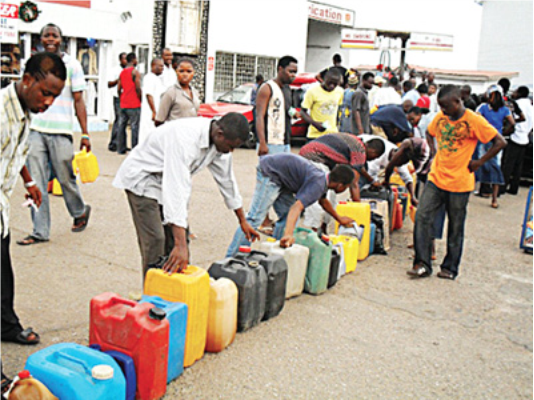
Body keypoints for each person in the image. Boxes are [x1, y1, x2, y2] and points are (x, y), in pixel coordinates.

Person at [113, 113, 259, 277]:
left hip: (164, 180)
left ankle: (176, 288)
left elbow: (227, 181)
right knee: (156, 240)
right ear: (220, 134)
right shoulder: (185, 139)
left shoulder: (218, 143)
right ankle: (152, 290)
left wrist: (242, 220)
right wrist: (180, 245)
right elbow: (176, 189)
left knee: (177, 241)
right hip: (142, 180)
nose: (231, 151)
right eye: (231, 146)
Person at [409, 85, 506, 280]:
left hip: (459, 183)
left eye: (446, 107)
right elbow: (429, 132)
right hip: (436, 178)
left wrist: (479, 162)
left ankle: (450, 268)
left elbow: (500, 142)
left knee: (455, 227)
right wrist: (433, 152)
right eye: (441, 107)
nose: (443, 111)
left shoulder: (474, 120)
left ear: (458, 101)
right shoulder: (441, 117)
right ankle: (422, 263)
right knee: (422, 217)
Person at [1, 53, 66, 345]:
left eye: (55, 97)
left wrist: (29, 181)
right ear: (27, 80)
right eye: (45, 93)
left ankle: (5, 325)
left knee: (3, 273)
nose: (48, 102)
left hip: (1, 205)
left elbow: (15, 150)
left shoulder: (25, 110)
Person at [18, 24, 91, 246]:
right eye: (46, 35)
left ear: (61, 39)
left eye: (54, 36)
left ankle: (79, 210)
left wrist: (85, 133)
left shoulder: (72, 65)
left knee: (64, 176)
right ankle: (40, 231)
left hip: (61, 130)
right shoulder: (33, 64)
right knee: (36, 180)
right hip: (36, 129)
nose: (50, 39)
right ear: (40, 39)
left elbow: (78, 100)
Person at [226, 153, 356, 256]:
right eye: (346, 187)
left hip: (282, 177)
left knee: (287, 215)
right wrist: (289, 234)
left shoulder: (323, 180)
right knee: (254, 219)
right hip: (271, 172)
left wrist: (339, 219)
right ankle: (231, 259)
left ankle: (275, 253)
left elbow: (323, 201)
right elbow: (296, 208)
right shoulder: (318, 183)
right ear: (340, 185)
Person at [299, 134, 385, 230]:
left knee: (330, 198)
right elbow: (354, 183)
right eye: (375, 157)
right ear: (373, 151)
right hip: (314, 158)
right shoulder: (360, 151)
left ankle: (323, 229)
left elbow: (361, 169)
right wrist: (359, 209)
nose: (373, 160)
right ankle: (313, 232)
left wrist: (372, 180)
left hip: (311, 153)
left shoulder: (356, 144)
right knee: (317, 197)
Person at [255, 56, 297, 233]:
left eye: (295, 72)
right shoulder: (267, 88)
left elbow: (287, 112)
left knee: (282, 188)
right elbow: (259, 116)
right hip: (271, 143)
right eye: (290, 71)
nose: (293, 75)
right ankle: (261, 220)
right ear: (280, 69)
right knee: (266, 187)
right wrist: (262, 143)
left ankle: (281, 231)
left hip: (284, 143)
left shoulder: (287, 89)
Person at [475, 84, 515, 208]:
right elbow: (512, 123)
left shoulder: (483, 107)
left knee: (480, 163)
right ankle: (494, 199)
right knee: (496, 167)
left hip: (484, 138)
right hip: (498, 140)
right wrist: (504, 132)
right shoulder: (505, 109)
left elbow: (476, 120)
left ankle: (476, 189)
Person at [359, 134, 421, 206]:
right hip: (359, 151)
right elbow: (369, 172)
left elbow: (407, 178)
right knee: (361, 183)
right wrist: (375, 182)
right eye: (399, 163)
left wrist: (413, 196)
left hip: (367, 163)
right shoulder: (378, 153)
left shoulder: (400, 156)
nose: (399, 166)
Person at [501, 86, 533, 195]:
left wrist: (506, 130)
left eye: (515, 91)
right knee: (518, 166)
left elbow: (512, 120)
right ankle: (514, 188)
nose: (513, 93)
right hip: (525, 138)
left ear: (519, 93)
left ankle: (502, 187)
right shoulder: (531, 106)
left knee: (508, 165)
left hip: (515, 136)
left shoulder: (517, 104)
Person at [300, 68, 344, 140]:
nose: (332, 86)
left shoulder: (340, 91)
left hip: (333, 134)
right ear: (324, 79)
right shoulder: (312, 91)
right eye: (330, 83)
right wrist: (315, 124)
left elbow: (339, 109)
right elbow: (302, 112)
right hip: (315, 135)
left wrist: (338, 125)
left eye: (335, 84)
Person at [156, 58, 200, 126]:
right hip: (175, 132)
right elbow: (159, 120)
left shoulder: (195, 92)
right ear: (176, 72)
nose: (185, 74)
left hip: (191, 131)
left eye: (189, 71)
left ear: (193, 73)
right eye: (181, 71)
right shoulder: (171, 93)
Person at [116, 52, 141, 154]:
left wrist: (121, 98)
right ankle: (135, 149)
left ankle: (121, 148)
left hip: (123, 103)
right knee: (134, 127)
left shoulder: (122, 72)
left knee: (121, 126)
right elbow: (138, 87)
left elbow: (119, 88)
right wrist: (140, 99)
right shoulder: (135, 72)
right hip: (134, 103)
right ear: (134, 60)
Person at [139, 58, 165, 144]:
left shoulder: (157, 79)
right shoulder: (149, 78)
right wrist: (153, 111)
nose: (162, 68)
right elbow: (149, 95)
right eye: (160, 66)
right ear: (153, 66)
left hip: (156, 111)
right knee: (148, 133)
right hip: (150, 112)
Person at [107, 52, 127, 152]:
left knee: (124, 121)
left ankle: (122, 143)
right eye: (124, 59)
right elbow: (109, 84)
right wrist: (118, 80)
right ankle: (113, 143)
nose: (126, 61)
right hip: (118, 97)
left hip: (127, 98)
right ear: (120, 60)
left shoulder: (129, 70)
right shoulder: (115, 70)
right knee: (119, 119)